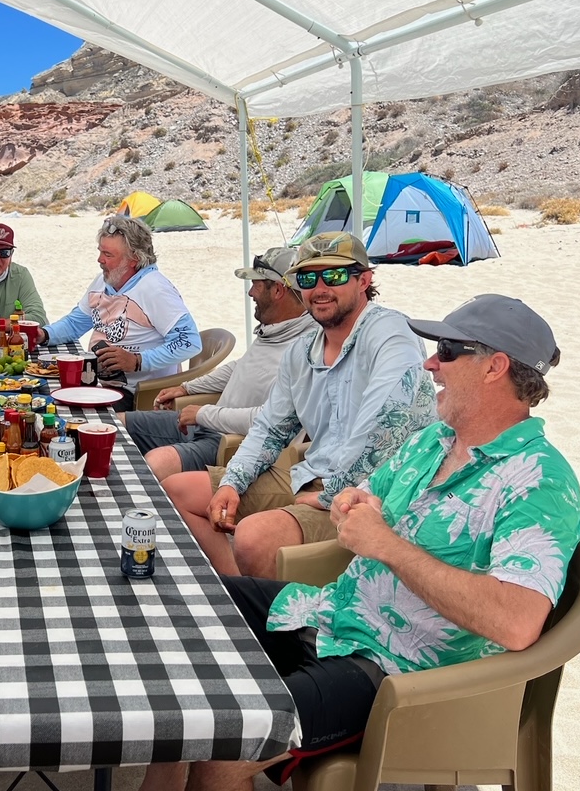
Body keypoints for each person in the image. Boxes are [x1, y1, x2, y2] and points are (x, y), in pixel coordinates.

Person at [68, 294, 580, 791]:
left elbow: (517, 620)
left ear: (495, 367)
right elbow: (365, 497)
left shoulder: (537, 482)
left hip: (397, 673)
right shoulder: (436, 442)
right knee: (186, 602)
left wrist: (387, 544)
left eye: (448, 352)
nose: (430, 363)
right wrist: (350, 503)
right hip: (331, 612)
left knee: (231, 739)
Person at [166, 231, 436, 579]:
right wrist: (233, 482)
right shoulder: (302, 351)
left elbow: (384, 427)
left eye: (335, 275)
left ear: (364, 280)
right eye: (308, 277)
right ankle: (243, 590)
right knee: (179, 492)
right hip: (310, 474)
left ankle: (261, 604)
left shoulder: (390, 333)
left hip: (372, 492)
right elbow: (270, 428)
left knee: (254, 536)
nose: (320, 288)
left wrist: (330, 495)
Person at [118, 246, 317, 481]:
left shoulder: (307, 348)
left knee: (157, 463)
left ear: (278, 290)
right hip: (207, 424)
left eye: (257, 285)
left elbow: (270, 418)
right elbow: (240, 367)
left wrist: (204, 413)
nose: (250, 293)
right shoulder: (275, 329)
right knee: (115, 425)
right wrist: (187, 388)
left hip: (232, 444)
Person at [40, 216, 201, 413]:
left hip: (137, 394)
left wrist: (137, 360)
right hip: (99, 381)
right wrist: (43, 335)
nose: (100, 260)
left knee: (64, 411)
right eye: (100, 252)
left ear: (134, 258)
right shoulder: (105, 281)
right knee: (42, 395)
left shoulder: (155, 289)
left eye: (108, 254)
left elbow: (189, 342)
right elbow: (75, 323)